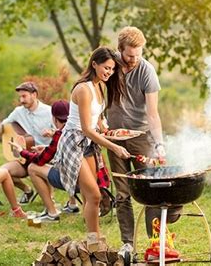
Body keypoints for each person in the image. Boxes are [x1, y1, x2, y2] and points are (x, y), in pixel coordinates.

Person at [106, 26, 175, 256]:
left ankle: (155, 242)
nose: (134, 59)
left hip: (141, 136)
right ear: (120, 51)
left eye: (138, 54)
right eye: (129, 55)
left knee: (150, 190)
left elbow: (153, 113)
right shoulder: (110, 66)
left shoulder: (146, 71)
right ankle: (128, 244)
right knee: (122, 193)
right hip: (114, 137)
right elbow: (95, 96)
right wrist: (101, 127)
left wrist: (159, 144)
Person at [51, 46, 130, 240]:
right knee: (95, 195)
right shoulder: (83, 89)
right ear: (94, 64)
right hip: (74, 143)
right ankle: (95, 240)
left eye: (112, 70)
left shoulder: (100, 86)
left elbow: (97, 119)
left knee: (90, 195)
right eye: (106, 68)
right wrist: (114, 146)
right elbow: (86, 128)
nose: (109, 73)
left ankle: (93, 239)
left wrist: (108, 130)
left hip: (88, 144)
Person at [0, 82, 54, 204]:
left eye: (24, 96)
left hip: (44, 156)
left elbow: (60, 133)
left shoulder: (49, 112)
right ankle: (27, 190)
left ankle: (50, 200)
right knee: (3, 171)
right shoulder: (18, 111)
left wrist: (51, 132)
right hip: (25, 156)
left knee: (36, 168)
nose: (21, 100)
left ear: (34, 95)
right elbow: (5, 123)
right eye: (20, 97)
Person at [14, 100, 79, 223]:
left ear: (54, 118)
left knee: (33, 168)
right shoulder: (78, 129)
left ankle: (51, 213)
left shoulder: (60, 134)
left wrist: (22, 151)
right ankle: (72, 204)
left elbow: (40, 160)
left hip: (72, 182)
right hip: (89, 180)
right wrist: (45, 148)